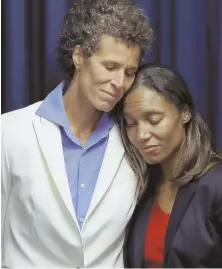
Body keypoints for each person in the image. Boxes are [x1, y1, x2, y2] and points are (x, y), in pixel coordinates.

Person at [1, 0, 153, 267]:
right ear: (79, 56)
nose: (119, 83)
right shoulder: (10, 131)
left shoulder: (136, 140)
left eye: (129, 72)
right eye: (109, 67)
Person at [115, 64, 222, 267]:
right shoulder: (141, 186)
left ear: (185, 113)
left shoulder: (216, 186)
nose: (141, 135)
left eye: (154, 120)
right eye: (130, 123)